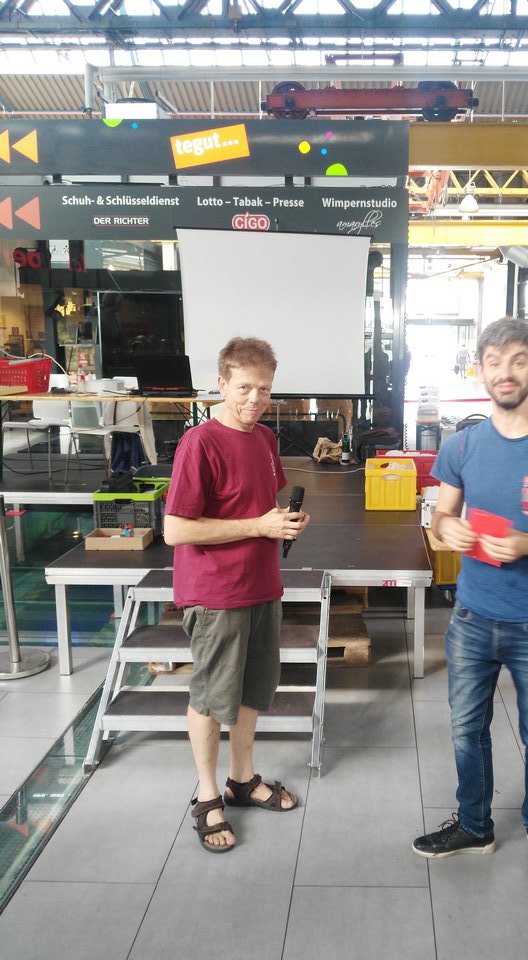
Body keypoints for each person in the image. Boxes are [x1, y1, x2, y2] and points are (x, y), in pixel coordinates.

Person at [412, 316, 528, 883]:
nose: (505, 372)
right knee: (466, 729)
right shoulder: (462, 446)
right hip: (472, 617)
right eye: (494, 362)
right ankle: (475, 825)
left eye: (518, 360)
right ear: (480, 371)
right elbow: (442, 516)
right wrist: (446, 528)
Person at [164, 337, 310, 853]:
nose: (255, 398)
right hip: (215, 594)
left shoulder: (264, 439)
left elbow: (259, 505)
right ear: (222, 384)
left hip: (261, 585)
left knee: (253, 689)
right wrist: (258, 526)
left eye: (264, 389)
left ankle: (241, 780)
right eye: (244, 387)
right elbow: (176, 530)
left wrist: (285, 521)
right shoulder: (199, 443)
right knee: (211, 697)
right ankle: (207, 796)